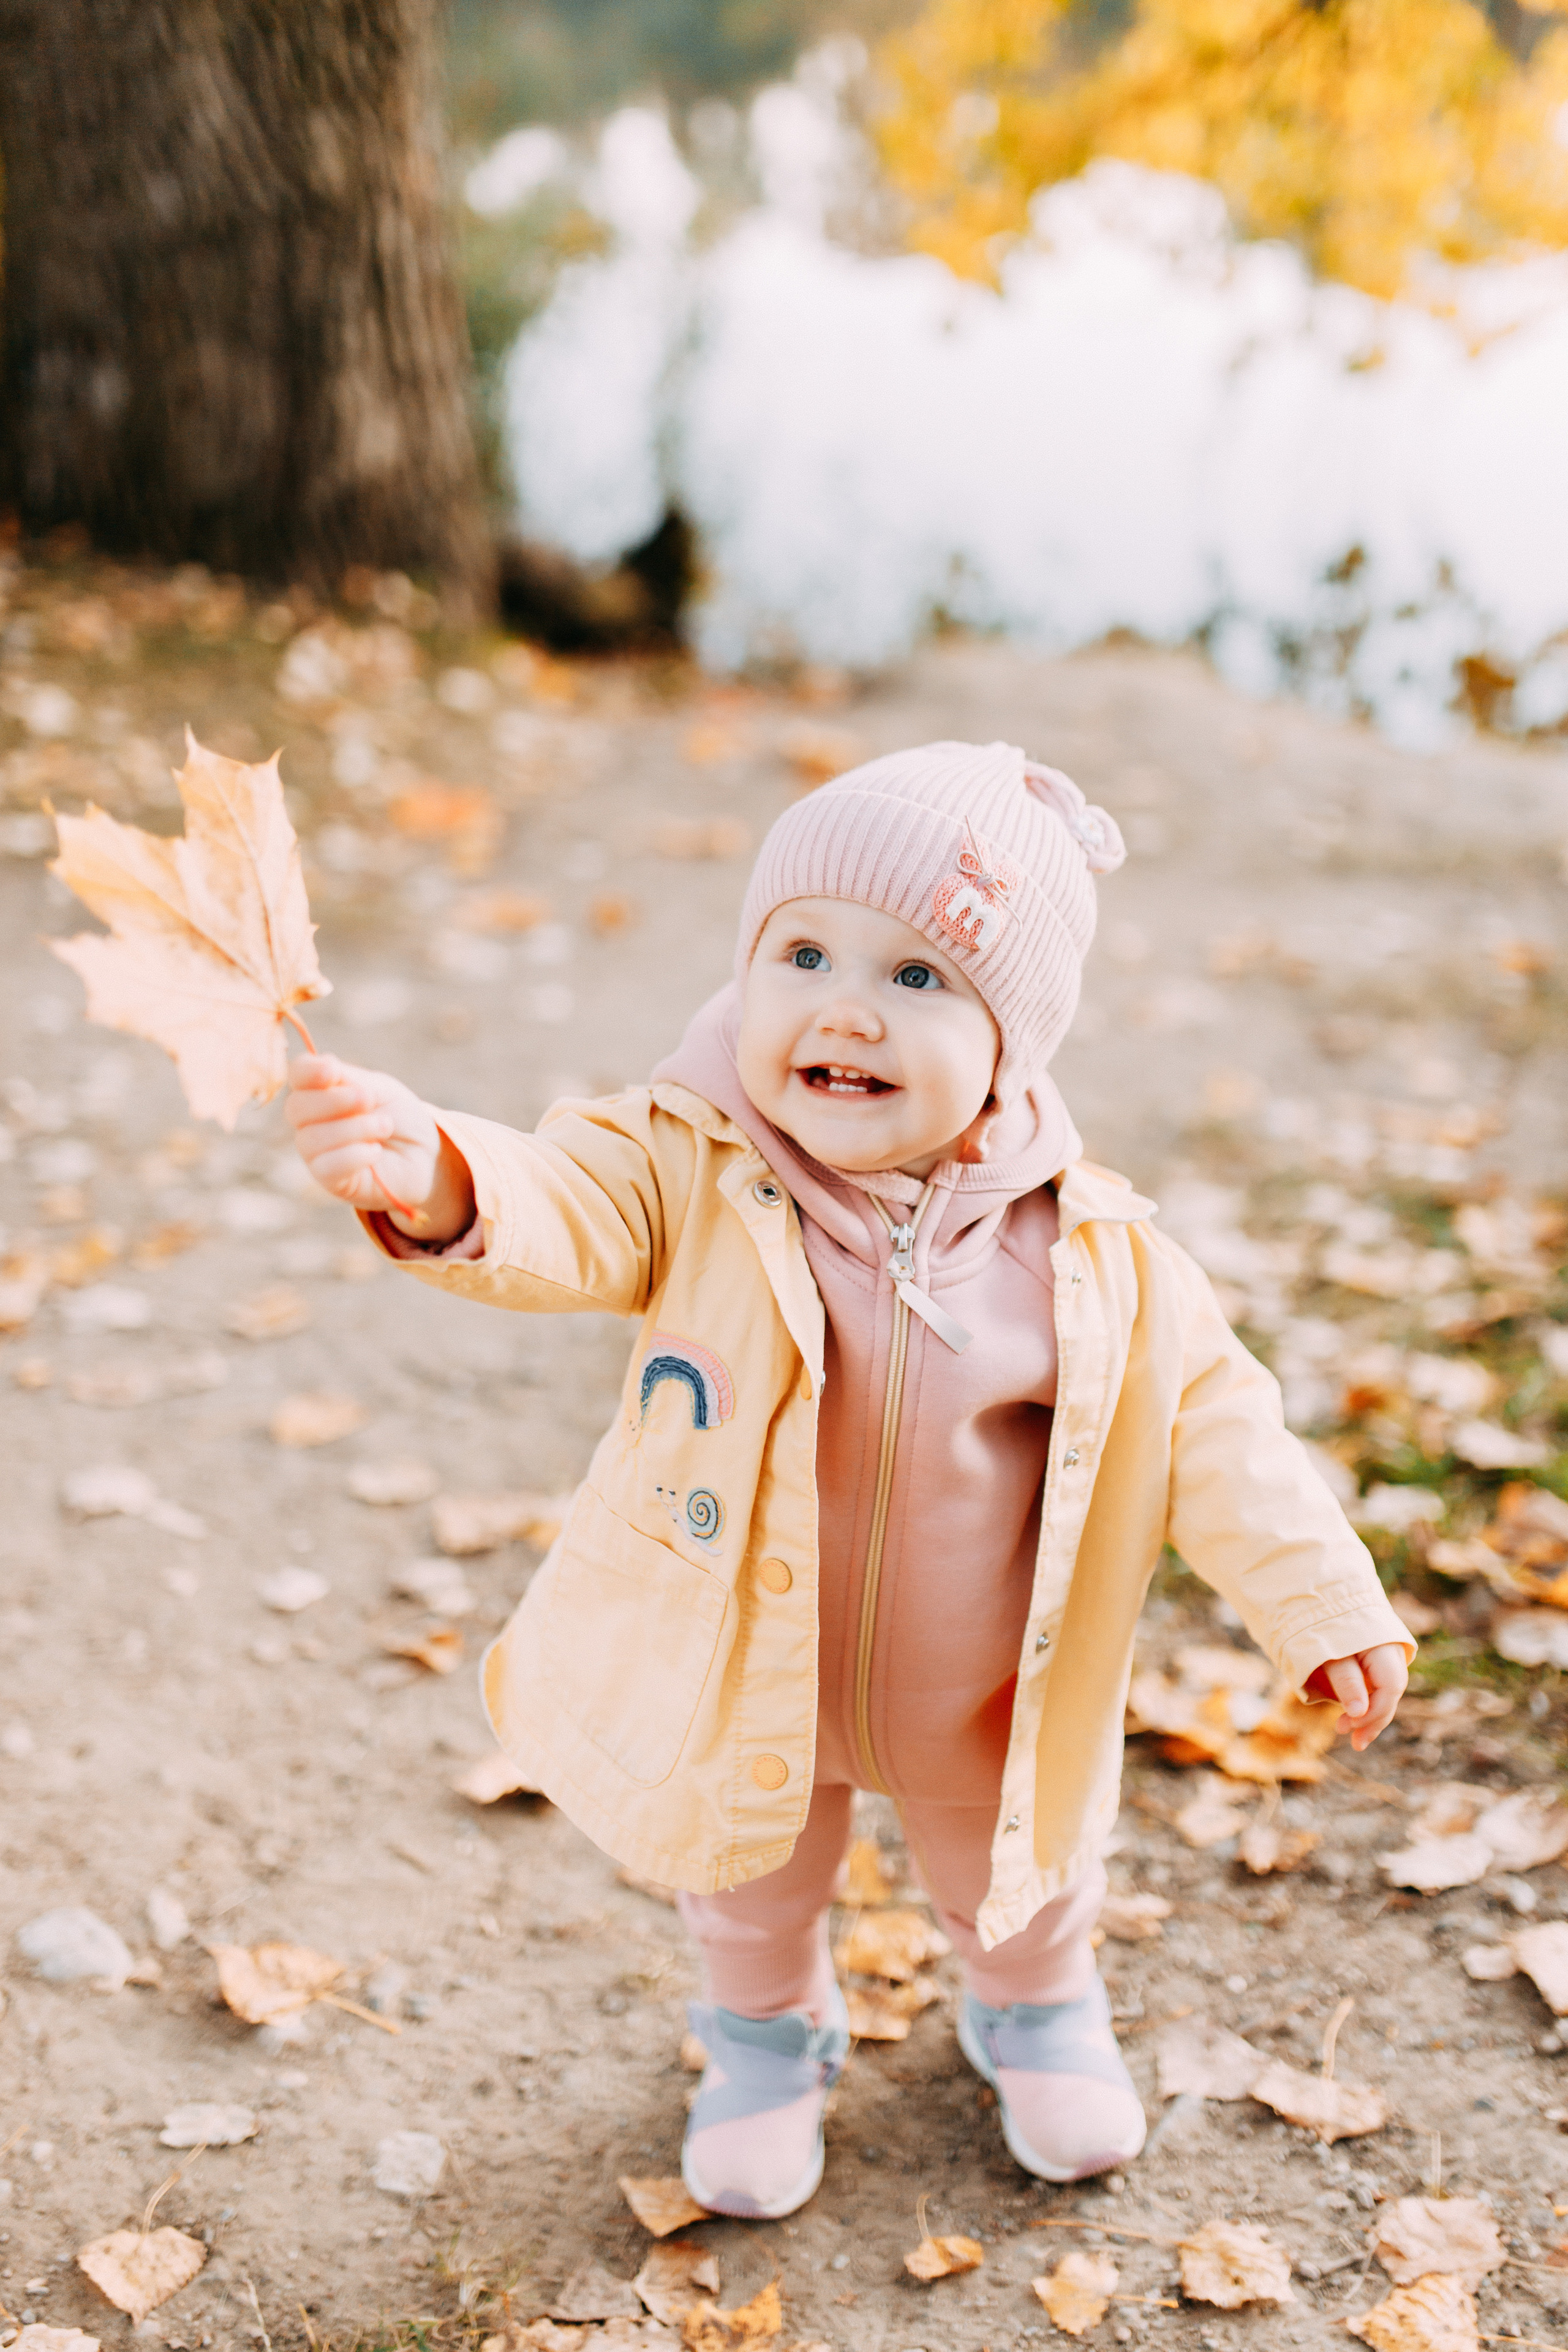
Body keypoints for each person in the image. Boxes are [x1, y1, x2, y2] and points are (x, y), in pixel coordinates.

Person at [287, 739, 1411, 2220]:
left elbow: (1220, 1431)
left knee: (1012, 1872)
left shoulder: (1092, 1253)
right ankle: (762, 2040)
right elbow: (564, 1198)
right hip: (746, 1651)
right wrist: (439, 1173)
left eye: (918, 978)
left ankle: (1031, 2012)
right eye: (801, 951)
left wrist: (1320, 1599)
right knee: (749, 1876)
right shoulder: (686, 1163)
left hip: (980, 1683)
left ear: (1013, 1044)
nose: (842, 1008)